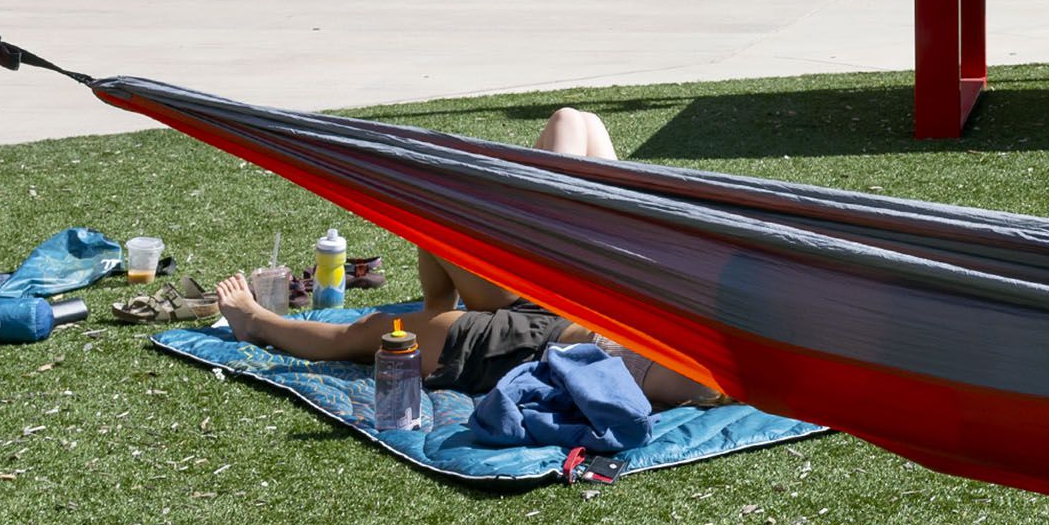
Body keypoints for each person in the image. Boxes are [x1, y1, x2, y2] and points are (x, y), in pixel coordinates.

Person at [210, 107, 724, 411]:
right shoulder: (723, 340)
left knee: (368, 333)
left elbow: (686, 379)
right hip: (583, 302)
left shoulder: (704, 372)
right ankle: (467, 249)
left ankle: (257, 323)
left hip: (528, 343)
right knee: (574, 121)